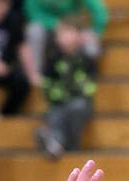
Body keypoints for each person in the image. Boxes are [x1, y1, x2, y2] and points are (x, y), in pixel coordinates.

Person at [34, 14, 97, 159]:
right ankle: (56, 142)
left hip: (78, 101)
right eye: (61, 34)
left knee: (77, 107)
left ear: (77, 35)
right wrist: (60, 95)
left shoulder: (84, 57)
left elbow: (89, 85)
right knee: (55, 113)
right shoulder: (52, 57)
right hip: (59, 102)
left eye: (68, 32)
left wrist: (70, 92)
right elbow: (47, 84)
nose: (65, 37)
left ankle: (62, 145)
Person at [0, 0, 41, 116]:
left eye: (2, 4)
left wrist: (32, 73)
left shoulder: (14, 19)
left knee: (22, 83)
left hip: (4, 67)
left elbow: (22, 47)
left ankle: (5, 115)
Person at [24, 0, 107, 70]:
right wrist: (57, 25)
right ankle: (38, 72)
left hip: (75, 27)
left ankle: (85, 73)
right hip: (49, 29)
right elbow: (32, 13)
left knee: (92, 49)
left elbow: (98, 10)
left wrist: (96, 32)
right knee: (34, 30)